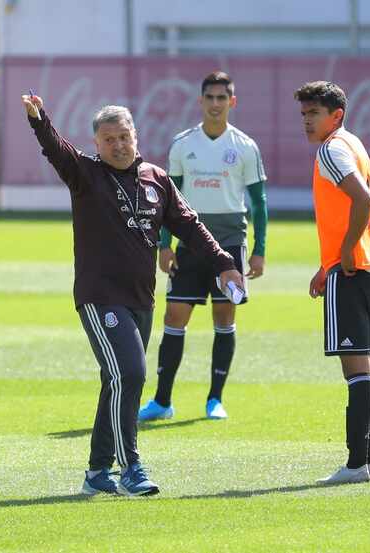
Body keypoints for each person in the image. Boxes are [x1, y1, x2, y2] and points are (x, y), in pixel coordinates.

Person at [21, 92, 243, 496]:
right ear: (97, 145)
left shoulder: (156, 179)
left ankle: (96, 472)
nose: (119, 145)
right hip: (99, 296)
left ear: (136, 137)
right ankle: (131, 468)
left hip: (141, 299)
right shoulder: (85, 175)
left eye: (124, 137)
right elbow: (56, 149)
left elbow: (190, 225)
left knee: (117, 380)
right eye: (109, 140)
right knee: (131, 373)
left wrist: (224, 261)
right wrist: (39, 119)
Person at [138, 71, 268, 422]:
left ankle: (215, 399)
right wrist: (164, 246)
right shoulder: (183, 144)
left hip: (229, 245)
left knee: (224, 317)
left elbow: (258, 202)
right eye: (209, 98)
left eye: (221, 98)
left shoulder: (245, 147)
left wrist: (259, 249)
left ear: (232, 102)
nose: (215, 104)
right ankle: (162, 401)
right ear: (200, 101)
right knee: (174, 316)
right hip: (190, 245)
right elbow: (166, 199)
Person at [294, 81, 370, 485]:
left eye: (313, 113)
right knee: (367, 369)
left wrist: (344, 253)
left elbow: (363, 199)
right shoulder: (353, 143)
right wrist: (327, 263)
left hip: (352, 270)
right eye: (303, 114)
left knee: (356, 372)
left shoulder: (331, 149)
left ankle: (354, 465)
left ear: (336, 115)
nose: (307, 121)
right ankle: (368, 461)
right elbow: (352, 206)